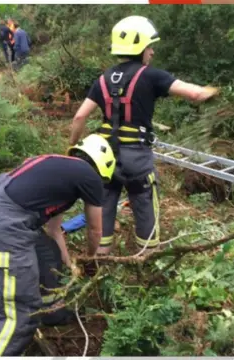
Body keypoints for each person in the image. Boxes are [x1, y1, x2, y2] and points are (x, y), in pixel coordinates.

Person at [68, 16, 220, 256]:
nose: (152, 51)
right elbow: (196, 94)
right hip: (137, 157)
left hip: (104, 158)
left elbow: (79, 118)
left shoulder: (102, 80)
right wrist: (218, 93)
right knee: (145, 205)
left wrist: (73, 145)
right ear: (139, 47)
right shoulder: (151, 76)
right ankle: (146, 259)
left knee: (104, 205)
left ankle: (100, 260)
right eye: (150, 46)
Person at [0, 134, 115, 356]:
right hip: (7, 224)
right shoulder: (90, 177)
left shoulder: (58, 168)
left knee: (48, 253)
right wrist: (91, 261)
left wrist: (68, 262)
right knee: (21, 312)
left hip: (0, 210)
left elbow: (53, 230)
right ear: (103, 167)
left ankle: (52, 311)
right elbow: (96, 230)